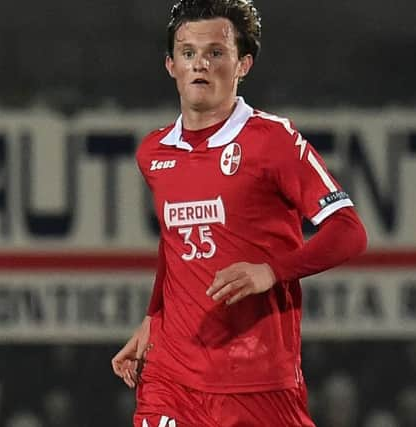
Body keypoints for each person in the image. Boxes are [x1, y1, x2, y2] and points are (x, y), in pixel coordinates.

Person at [111, 0, 367, 426]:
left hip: (256, 382)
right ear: (171, 65)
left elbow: (349, 232)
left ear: (243, 64)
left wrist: (271, 270)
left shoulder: (273, 141)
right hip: (170, 377)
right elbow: (174, 245)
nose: (200, 65)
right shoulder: (153, 152)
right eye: (188, 53)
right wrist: (152, 318)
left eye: (215, 52)